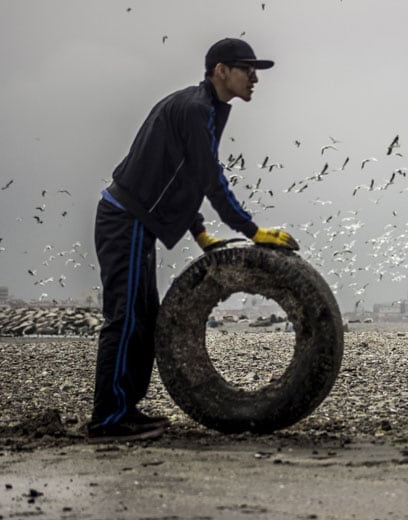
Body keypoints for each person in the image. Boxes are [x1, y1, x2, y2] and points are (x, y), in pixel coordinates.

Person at [88, 38, 299, 442]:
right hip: (125, 218)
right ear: (221, 71)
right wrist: (251, 231)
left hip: (137, 221)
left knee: (144, 319)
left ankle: (125, 410)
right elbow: (208, 178)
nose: (255, 78)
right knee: (126, 318)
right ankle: (108, 420)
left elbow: (182, 177)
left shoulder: (210, 109)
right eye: (246, 68)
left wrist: (199, 231)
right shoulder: (194, 109)